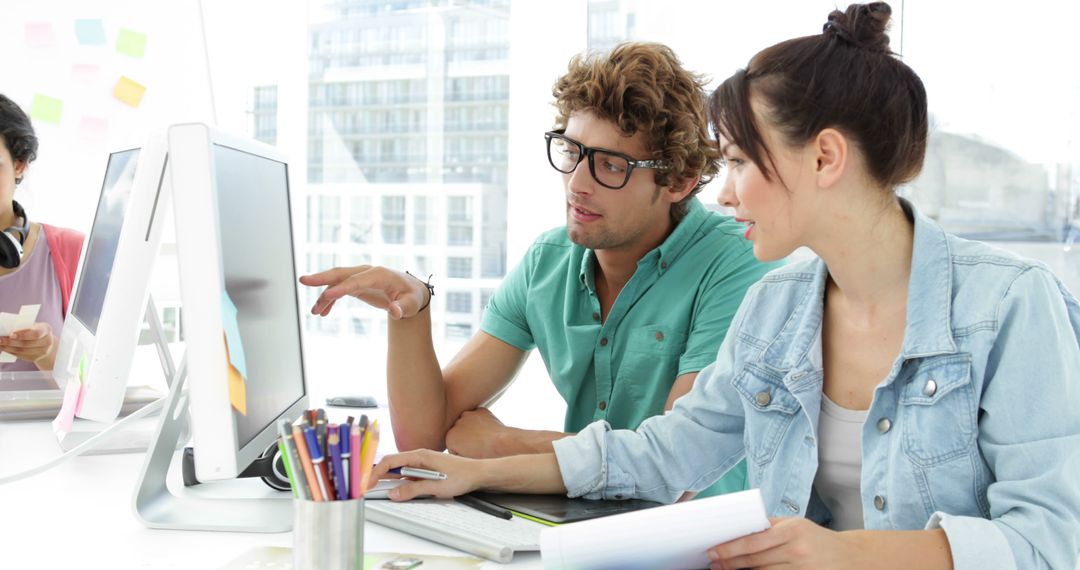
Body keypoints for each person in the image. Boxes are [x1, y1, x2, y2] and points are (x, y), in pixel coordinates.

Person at [368, 3, 1080, 568]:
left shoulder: (1011, 306)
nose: (724, 193)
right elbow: (663, 452)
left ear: (826, 156)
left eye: (739, 161)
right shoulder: (778, 307)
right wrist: (472, 473)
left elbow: (1051, 543)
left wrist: (842, 557)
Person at [301, 42, 780, 498]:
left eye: (610, 165)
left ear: (678, 181)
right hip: (584, 515)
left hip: (699, 544)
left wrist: (503, 444)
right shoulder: (547, 262)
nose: (576, 183)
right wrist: (410, 310)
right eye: (572, 152)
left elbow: (677, 469)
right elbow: (423, 435)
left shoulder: (737, 262)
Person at [0, 94, 84, 373]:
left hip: (43, 418)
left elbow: (95, 386)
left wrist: (49, 352)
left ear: (19, 164)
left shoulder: (73, 251)